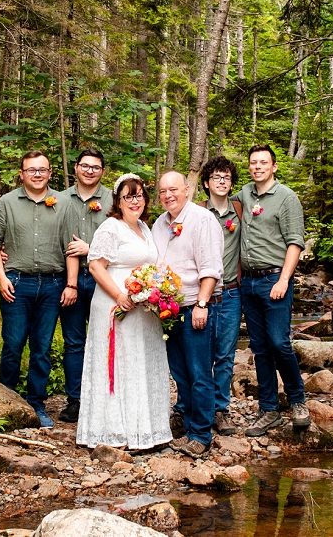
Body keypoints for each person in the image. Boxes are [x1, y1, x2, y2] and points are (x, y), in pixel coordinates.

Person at [76, 174, 173, 450]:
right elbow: (96, 266)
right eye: (128, 196)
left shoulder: (144, 227)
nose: (135, 201)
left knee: (140, 361)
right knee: (120, 363)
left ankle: (145, 429)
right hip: (114, 304)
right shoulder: (110, 227)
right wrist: (120, 296)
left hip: (143, 309)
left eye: (139, 195)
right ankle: (114, 432)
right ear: (118, 200)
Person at [0, 150, 77, 429]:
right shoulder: (6, 203)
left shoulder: (64, 203)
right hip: (17, 283)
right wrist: (1, 279)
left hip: (52, 286)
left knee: (42, 348)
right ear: (22, 174)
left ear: (50, 173)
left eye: (42, 170)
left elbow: (71, 247)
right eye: (31, 170)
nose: (37, 174)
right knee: (13, 344)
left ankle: (36, 403)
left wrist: (71, 284)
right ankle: (8, 400)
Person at [233, 145, 311, 436]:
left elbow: (294, 243)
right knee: (260, 348)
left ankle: (297, 400)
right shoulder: (244, 194)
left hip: (274, 279)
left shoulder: (286, 198)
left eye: (263, 162)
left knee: (279, 343)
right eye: (253, 163)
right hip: (248, 283)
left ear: (274, 167)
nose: (257, 167)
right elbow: (220, 208)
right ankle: (268, 410)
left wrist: (284, 280)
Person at [154, 171, 224, 459]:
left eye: (174, 189)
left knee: (199, 373)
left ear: (187, 190)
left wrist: (202, 305)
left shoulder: (202, 220)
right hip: (167, 309)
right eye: (162, 191)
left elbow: (211, 267)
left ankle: (201, 434)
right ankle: (188, 425)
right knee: (180, 373)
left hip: (196, 306)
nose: (168, 195)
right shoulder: (159, 224)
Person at [57, 148, 113, 423]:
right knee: (74, 342)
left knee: (107, 339)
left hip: (105, 280)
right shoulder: (58, 199)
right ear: (76, 168)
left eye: (96, 167)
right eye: (85, 166)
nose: (90, 170)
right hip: (71, 281)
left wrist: (89, 249)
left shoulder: (114, 200)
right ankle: (75, 400)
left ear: (103, 171)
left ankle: (104, 398)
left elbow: (124, 240)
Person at [201, 156, 243, 436]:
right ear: (206, 183)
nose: (222, 181)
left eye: (226, 177)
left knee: (226, 355)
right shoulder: (197, 212)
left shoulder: (240, 211)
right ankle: (195, 407)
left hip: (231, 293)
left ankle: (220, 409)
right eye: (216, 177)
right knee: (200, 355)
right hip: (203, 295)